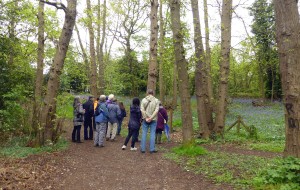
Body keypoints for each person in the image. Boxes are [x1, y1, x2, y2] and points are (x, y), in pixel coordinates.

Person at [140, 89, 159, 153]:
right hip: (153, 120)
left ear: (147, 93)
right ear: (153, 93)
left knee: (144, 133)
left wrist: (146, 118)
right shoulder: (156, 100)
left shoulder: (143, 100)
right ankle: (151, 149)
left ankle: (143, 149)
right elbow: (156, 111)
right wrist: (151, 118)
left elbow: (142, 110)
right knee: (152, 134)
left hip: (145, 119)